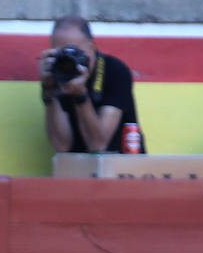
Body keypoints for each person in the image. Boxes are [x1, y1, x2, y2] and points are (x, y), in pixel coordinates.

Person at [39, 15, 143, 154]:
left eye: (73, 51)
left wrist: (80, 96)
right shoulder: (58, 72)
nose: (67, 59)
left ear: (92, 47)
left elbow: (97, 146)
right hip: (76, 169)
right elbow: (61, 146)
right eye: (61, 52)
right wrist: (48, 90)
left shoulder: (114, 70)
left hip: (120, 168)